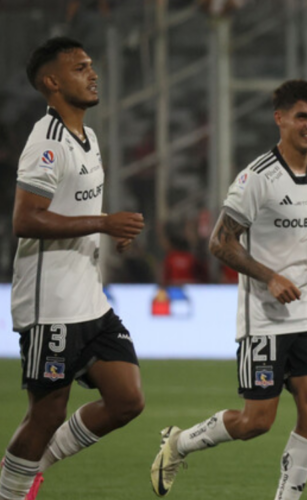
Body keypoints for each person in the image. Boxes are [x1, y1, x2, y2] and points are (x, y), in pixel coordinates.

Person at [149, 80, 307, 500]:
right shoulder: (256, 178)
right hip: (263, 315)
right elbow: (220, 242)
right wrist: (269, 276)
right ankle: (179, 443)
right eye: (302, 116)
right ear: (280, 119)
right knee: (257, 421)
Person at [0, 37, 146, 500]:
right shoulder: (46, 143)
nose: (93, 73)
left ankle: (26, 469)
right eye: (81, 68)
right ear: (52, 82)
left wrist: (108, 231)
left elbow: (71, 209)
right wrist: (104, 222)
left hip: (89, 297)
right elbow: (25, 219)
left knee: (126, 399)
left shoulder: (88, 136)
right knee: (45, 415)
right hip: (51, 304)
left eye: (90, 65)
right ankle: (12, 487)